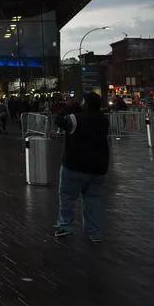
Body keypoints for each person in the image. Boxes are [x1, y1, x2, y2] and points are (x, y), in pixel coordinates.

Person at [53, 92, 109, 242]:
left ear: (85, 104)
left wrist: (68, 106)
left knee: (67, 197)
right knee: (93, 200)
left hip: (75, 165)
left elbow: (58, 120)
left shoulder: (76, 118)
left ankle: (65, 226)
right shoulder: (103, 120)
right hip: (98, 167)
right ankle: (95, 232)